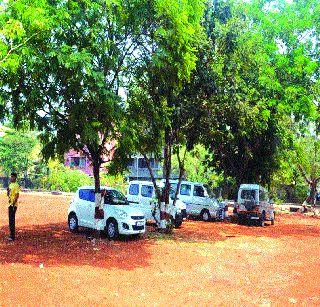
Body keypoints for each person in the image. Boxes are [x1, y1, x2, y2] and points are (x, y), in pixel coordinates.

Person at [6, 172, 20, 241]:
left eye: (12, 177)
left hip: (13, 205)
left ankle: (12, 236)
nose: (11, 178)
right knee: (10, 220)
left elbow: (17, 195)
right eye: (11, 176)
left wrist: (13, 204)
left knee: (12, 220)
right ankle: (11, 235)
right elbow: (8, 195)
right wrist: (7, 191)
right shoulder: (10, 184)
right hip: (9, 204)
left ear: (15, 177)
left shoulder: (16, 185)